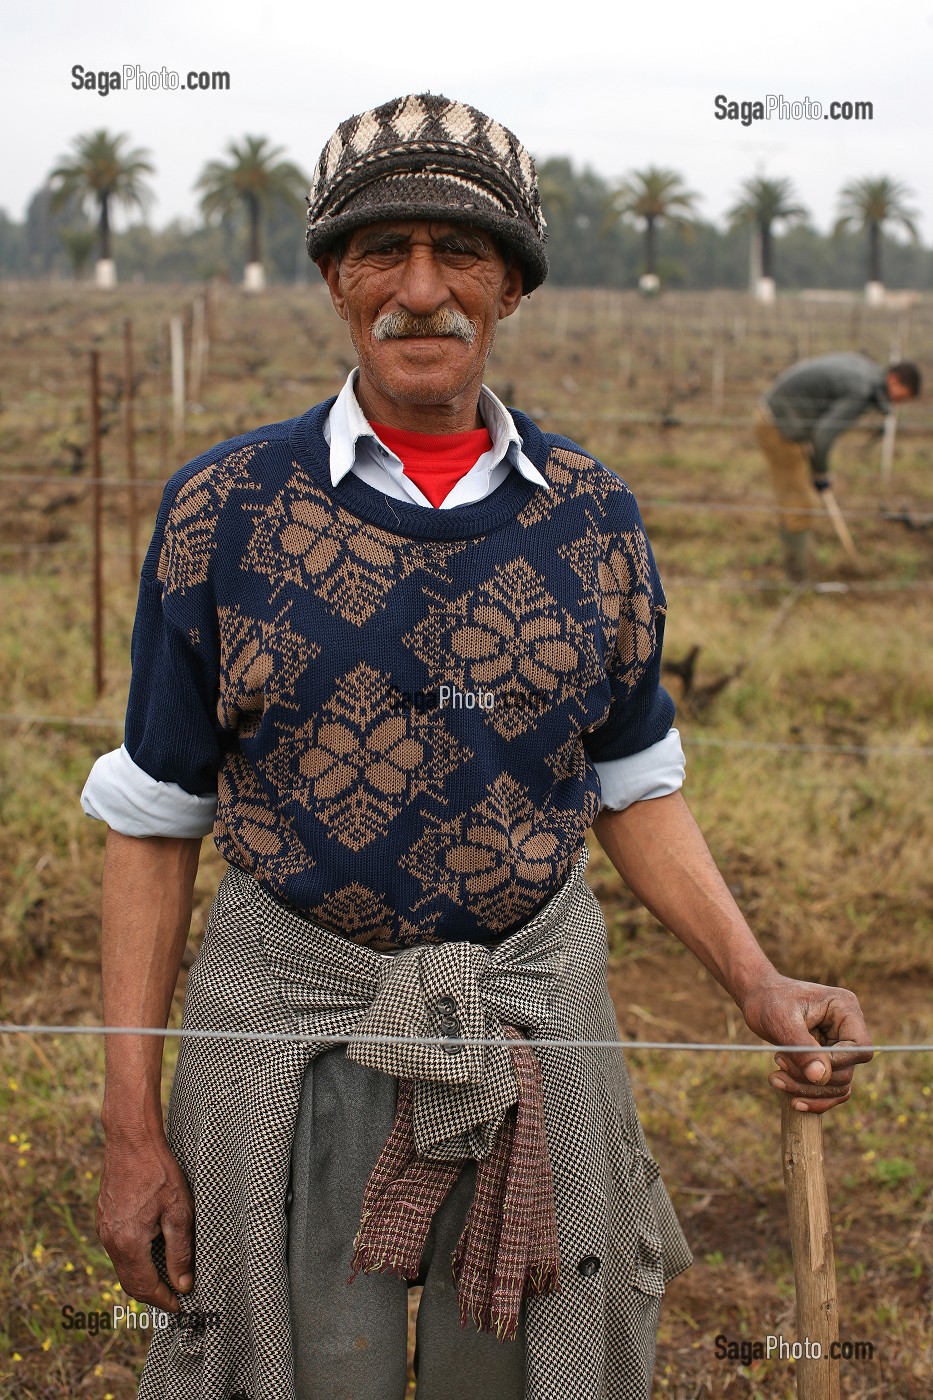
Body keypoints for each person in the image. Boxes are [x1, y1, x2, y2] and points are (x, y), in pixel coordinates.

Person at [83, 94, 873, 1400]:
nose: (421, 290)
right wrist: (128, 1136)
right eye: (381, 251)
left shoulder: (594, 517)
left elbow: (633, 783)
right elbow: (155, 818)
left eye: (461, 253)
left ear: (513, 285)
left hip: (530, 1026)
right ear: (335, 280)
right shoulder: (223, 512)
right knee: (287, 1367)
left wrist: (756, 982)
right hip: (292, 1031)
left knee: (526, 1370)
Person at [755, 352, 921, 580]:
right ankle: (800, 578)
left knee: (797, 500)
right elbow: (823, 436)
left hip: (785, 419)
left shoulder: (868, 372)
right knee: (798, 502)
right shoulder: (861, 390)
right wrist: (821, 473)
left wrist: (817, 469)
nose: (898, 403)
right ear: (894, 379)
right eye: (901, 397)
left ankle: (803, 568)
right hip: (779, 425)